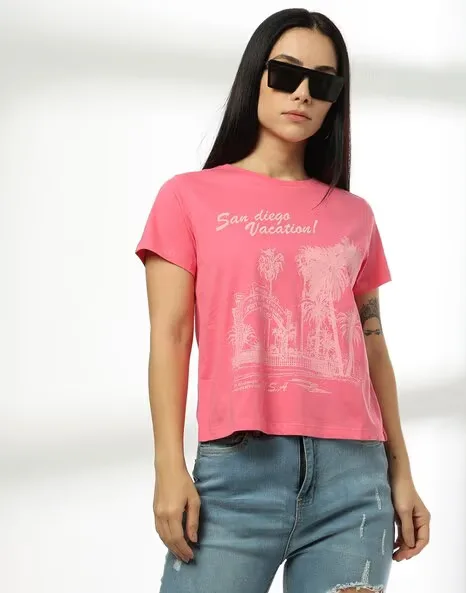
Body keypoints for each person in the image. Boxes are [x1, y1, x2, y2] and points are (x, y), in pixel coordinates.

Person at [135, 8, 431, 593]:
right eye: (287, 74)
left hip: (355, 484)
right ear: (256, 76)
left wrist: (402, 473)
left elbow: (372, 346)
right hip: (235, 479)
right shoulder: (188, 198)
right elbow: (169, 338)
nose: (303, 94)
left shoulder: (353, 214)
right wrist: (168, 466)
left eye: (323, 83)